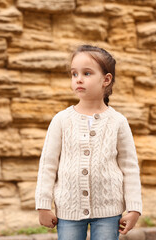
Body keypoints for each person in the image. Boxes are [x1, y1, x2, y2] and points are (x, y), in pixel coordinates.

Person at [34, 44, 142, 240]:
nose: (79, 79)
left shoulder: (118, 121)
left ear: (106, 80)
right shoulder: (61, 120)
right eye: (74, 74)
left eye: (87, 73)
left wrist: (134, 207)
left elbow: (130, 167)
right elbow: (48, 165)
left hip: (108, 210)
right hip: (69, 209)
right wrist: (43, 205)